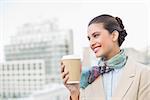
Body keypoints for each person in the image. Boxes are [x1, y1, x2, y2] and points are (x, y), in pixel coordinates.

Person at [61, 14, 150, 100]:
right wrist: (74, 92)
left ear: (114, 35)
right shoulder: (88, 77)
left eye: (96, 35)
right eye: (89, 38)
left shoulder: (143, 73)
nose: (91, 43)